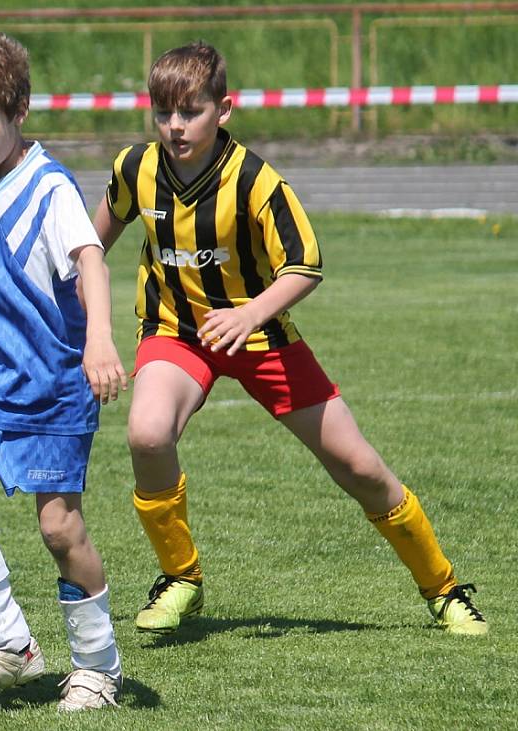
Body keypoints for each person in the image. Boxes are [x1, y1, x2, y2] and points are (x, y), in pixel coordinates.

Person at [92, 41, 487, 637]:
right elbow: (89, 246)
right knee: (147, 435)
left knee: (358, 467)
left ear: (224, 109)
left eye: (191, 111)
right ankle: (181, 579)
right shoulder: (135, 169)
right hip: (176, 333)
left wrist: (250, 314)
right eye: (163, 111)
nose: (175, 126)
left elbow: (304, 265)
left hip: (262, 336)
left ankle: (444, 588)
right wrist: (91, 332)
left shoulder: (255, 180)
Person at [0, 33, 127, 711]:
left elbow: (90, 260)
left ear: (21, 112)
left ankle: (98, 665)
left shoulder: (50, 187)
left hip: (55, 383)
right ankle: (10, 645)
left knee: (59, 529)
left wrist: (99, 340)